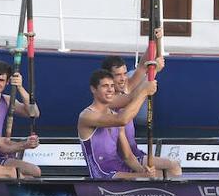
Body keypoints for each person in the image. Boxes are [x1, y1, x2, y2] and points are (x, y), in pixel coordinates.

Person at [99, 44, 181, 177]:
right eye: (118, 75)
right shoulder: (108, 100)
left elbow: (143, 64)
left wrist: (157, 35)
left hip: (135, 152)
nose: (123, 78)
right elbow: (132, 96)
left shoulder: (126, 87)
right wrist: (153, 74)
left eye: (125, 74)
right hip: (124, 158)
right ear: (107, 78)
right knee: (171, 167)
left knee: (171, 168)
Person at [77, 68, 156, 180]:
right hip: (102, 175)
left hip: (119, 169)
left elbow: (127, 156)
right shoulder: (86, 116)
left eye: (112, 86)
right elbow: (123, 119)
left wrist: (144, 172)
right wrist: (144, 92)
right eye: (105, 86)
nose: (110, 90)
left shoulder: (114, 115)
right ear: (93, 89)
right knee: (140, 178)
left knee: (158, 175)